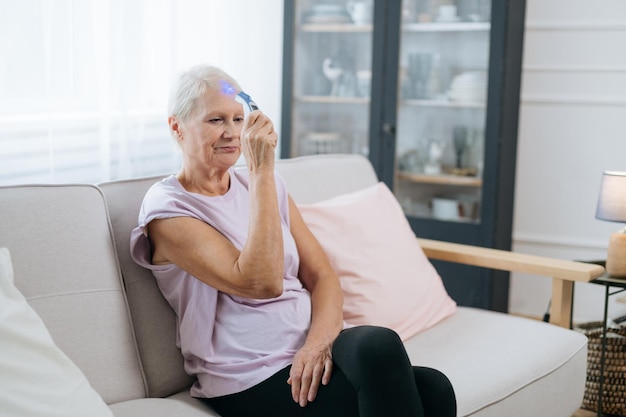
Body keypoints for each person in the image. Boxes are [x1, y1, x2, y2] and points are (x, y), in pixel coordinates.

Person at [130, 64, 456, 417]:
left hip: (310, 348)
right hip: (248, 372)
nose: (232, 132)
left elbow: (323, 276)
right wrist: (261, 171)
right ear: (176, 126)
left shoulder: (266, 185)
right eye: (216, 120)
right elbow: (261, 283)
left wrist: (317, 344)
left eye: (238, 119)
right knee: (420, 388)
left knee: (429, 381)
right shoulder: (168, 209)